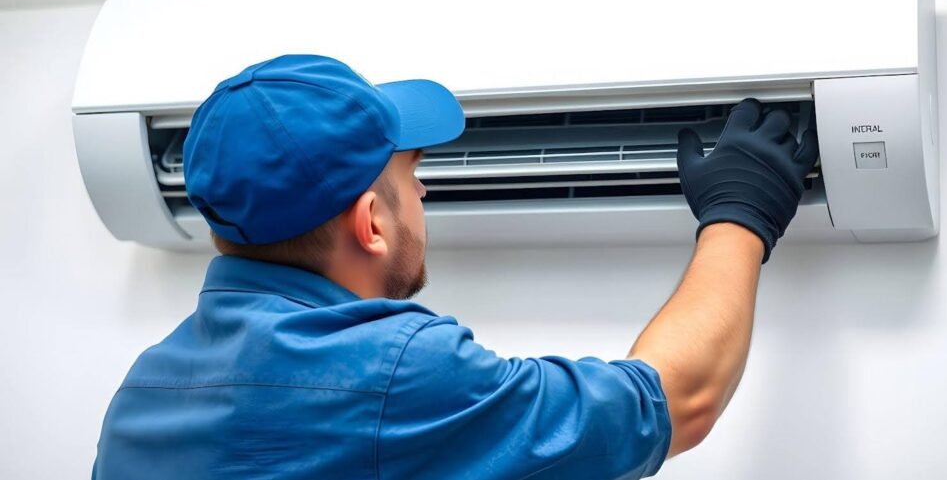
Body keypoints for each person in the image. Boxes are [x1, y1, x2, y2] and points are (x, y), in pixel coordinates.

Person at [93, 54, 819, 479]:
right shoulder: (393, 372)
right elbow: (672, 400)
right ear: (371, 223)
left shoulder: (140, 398)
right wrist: (740, 215)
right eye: (410, 172)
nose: (424, 190)